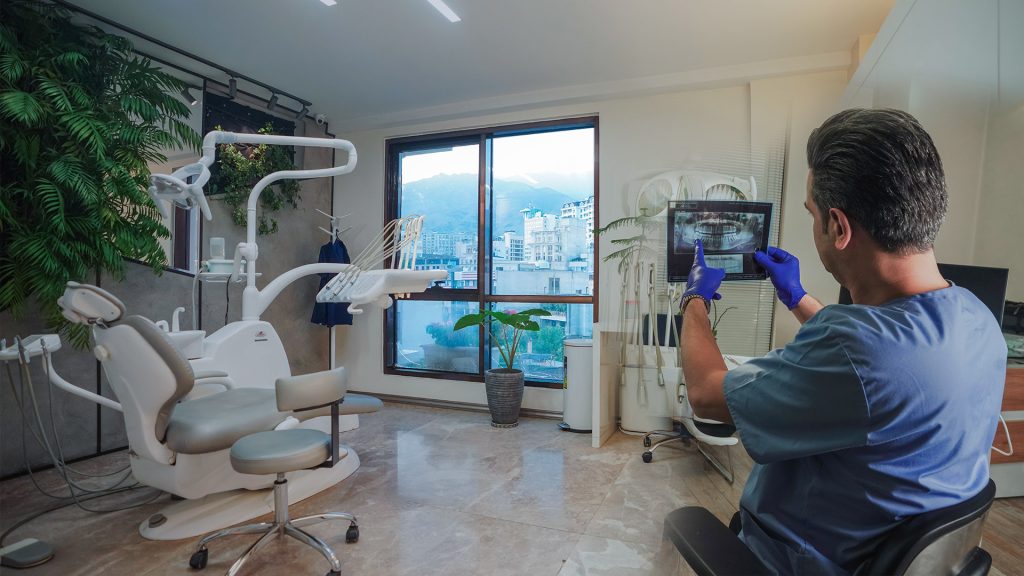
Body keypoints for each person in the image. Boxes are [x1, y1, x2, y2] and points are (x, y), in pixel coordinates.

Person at [678, 108, 1006, 575]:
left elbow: (706, 394)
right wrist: (796, 297)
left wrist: (693, 299)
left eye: (812, 214)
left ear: (838, 226)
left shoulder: (857, 349)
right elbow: (880, 359)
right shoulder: (976, 317)